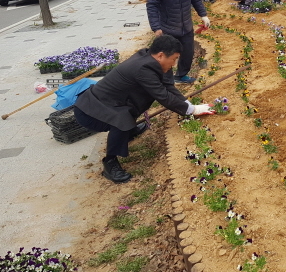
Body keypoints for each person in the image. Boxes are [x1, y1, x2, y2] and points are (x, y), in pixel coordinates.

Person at [74, 35, 215, 183]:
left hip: (109, 103)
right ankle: (110, 163)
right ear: (161, 55)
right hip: (90, 112)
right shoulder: (143, 68)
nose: (174, 64)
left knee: (127, 113)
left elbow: (168, 87)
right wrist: (192, 111)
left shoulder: (152, 59)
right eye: (174, 59)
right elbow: (163, 96)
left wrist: (188, 105)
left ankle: (129, 130)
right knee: (121, 120)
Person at [147, 0, 210, 84]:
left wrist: (203, 15)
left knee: (187, 53)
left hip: (186, 25)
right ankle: (167, 81)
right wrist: (156, 28)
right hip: (168, 26)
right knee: (168, 56)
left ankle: (181, 76)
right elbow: (152, 5)